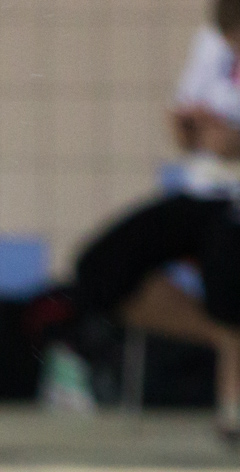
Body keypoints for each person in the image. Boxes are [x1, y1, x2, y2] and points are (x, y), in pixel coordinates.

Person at [72, 0, 240, 440]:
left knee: (228, 267)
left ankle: (231, 403)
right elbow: (187, 127)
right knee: (100, 268)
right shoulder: (213, 42)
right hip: (205, 191)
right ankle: (222, 340)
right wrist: (190, 130)